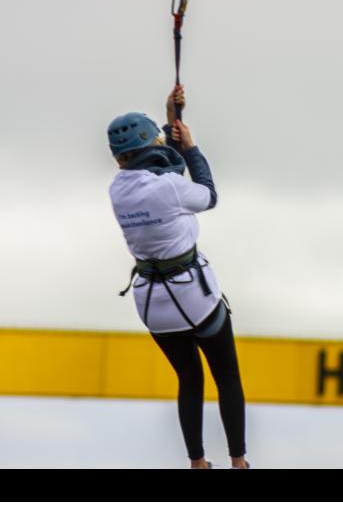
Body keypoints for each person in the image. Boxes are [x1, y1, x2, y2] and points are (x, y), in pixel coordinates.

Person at [107, 85, 249, 469]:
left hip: (153, 305)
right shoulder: (170, 188)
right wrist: (190, 147)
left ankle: (197, 463)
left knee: (190, 380)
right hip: (194, 297)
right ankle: (238, 462)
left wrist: (171, 119)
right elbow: (206, 193)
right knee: (227, 378)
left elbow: (160, 173)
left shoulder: (117, 189)